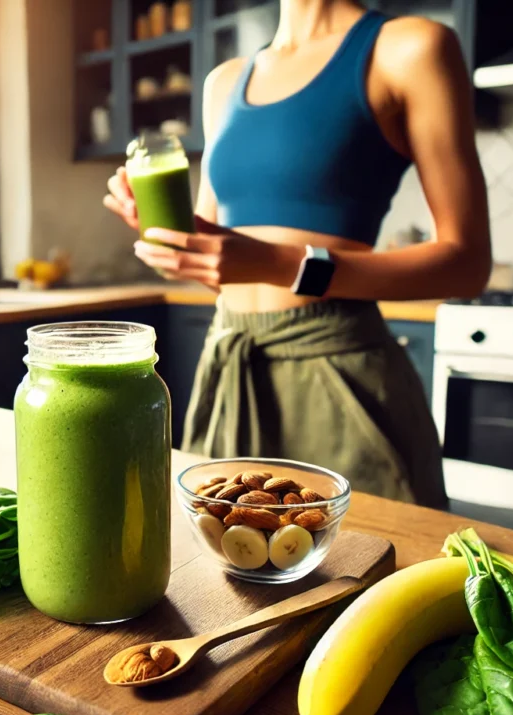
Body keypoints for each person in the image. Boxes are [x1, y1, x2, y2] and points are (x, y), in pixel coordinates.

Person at [104, 0, 490, 507]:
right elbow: (225, 266)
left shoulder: (409, 48)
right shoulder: (223, 82)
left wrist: (279, 263)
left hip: (338, 374)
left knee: (367, 570)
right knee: (222, 573)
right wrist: (171, 239)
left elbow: (468, 263)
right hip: (231, 366)